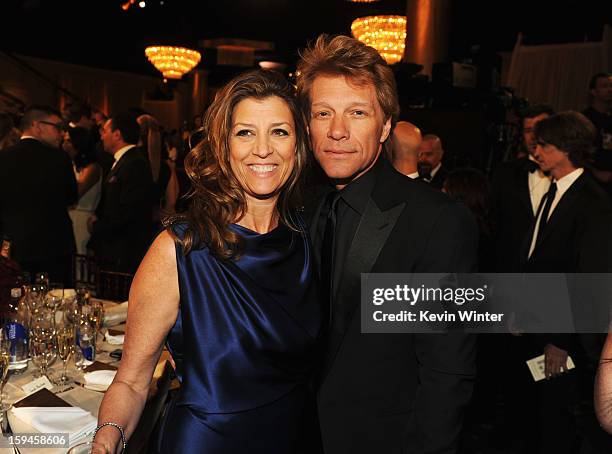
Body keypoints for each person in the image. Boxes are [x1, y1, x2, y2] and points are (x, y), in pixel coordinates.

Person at [92, 70, 322, 454]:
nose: (262, 149)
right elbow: (132, 382)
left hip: (297, 439)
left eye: (279, 132)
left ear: (298, 145)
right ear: (222, 145)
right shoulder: (179, 251)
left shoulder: (311, 238)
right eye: (245, 132)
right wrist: (108, 435)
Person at [297, 34, 477, 454]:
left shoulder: (438, 221)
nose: (337, 131)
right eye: (323, 113)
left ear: (384, 128)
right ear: (307, 126)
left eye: (357, 113)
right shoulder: (298, 207)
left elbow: (447, 371)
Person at [522, 111, 612, 453]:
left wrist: (560, 339)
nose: (536, 150)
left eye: (543, 144)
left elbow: (590, 280)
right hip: (537, 327)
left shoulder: (593, 202)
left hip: (566, 339)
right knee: (539, 414)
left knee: (560, 420)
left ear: (566, 148)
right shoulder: (554, 191)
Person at [0, 105, 77, 285]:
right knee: (58, 301)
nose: (62, 133)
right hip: (56, 245)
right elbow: (71, 197)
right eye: (57, 127)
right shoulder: (59, 158)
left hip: (17, 244)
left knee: (20, 301)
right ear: (37, 126)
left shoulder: (4, 158)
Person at [87, 113, 154, 274]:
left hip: (123, 249)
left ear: (117, 134)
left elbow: (129, 210)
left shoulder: (134, 163)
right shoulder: (123, 161)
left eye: (104, 131)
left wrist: (97, 226)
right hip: (115, 246)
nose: (102, 137)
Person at [63, 126, 102, 254]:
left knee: (79, 255)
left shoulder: (92, 168)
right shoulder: (71, 164)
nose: (64, 144)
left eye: (68, 141)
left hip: (82, 217)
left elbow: (77, 191)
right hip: (69, 215)